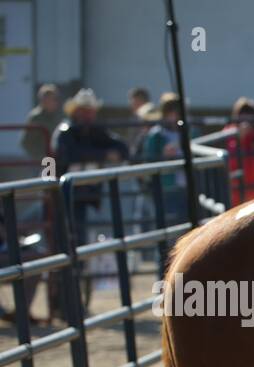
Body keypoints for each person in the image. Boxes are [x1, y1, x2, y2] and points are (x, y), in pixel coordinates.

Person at [51, 89, 128, 246]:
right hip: (63, 190)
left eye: (91, 111)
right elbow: (72, 154)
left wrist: (107, 152)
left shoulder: (93, 131)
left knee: (80, 229)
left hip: (86, 191)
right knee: (66, 229)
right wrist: (105, 154)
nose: (89, 115)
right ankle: (68, 264)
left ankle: (79, 262)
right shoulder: (65, 131)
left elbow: (122, 148)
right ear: (76, 111)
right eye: (85, 111)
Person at [139, 93, 188, 223]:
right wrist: (163, 156)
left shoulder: (188, 132)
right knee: (169, 223)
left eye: (177, 112)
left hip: (186, 186)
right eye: (171, 112)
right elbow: (149, 160)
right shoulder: (156, 135)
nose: (174, 116)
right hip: (167, 187)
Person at [21, 84, 61, 163]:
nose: (55, 102)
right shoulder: (36, 117)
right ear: (43, 100)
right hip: (40, 163)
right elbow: (26, 142)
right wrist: (40, 158)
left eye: (56, 99)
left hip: (56, 161)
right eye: (52, 99)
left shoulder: (59, 116)